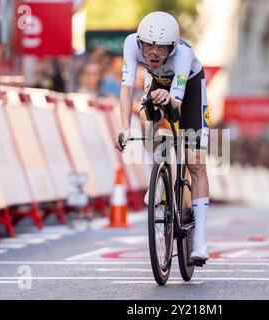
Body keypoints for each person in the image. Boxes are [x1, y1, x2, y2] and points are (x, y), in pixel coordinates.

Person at [114, 11, 210, 262]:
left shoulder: (184, 54)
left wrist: (170, 99)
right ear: (139, 43)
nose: (153, 54)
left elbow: (176, 107)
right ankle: (156, 178)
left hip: (188, 88)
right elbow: (126, 89)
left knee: (196, 161)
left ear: (172, 48)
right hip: (157, 82)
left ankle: (199, 241)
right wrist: (124, 126)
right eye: (147, 47)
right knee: (146, 121)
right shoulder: (130, 44)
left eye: (160, 49)